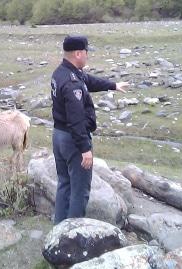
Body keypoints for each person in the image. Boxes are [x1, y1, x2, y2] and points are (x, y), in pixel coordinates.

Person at [51, 35, 129, 225]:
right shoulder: (72, 82)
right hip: (73, 140)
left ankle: (58, 227)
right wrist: (85, 149)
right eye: (86, 52)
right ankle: (71, 236)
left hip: (58, 135)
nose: (88, 56)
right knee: (80, 190)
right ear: (78, 53)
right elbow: (76, 119)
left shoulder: (62, 72)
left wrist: (113, 86)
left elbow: (89, 81)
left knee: (64, 185)